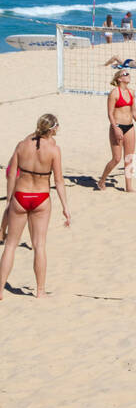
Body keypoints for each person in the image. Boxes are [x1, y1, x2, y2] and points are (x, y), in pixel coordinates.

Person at [0, 114, 70, 300]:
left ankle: (0, 290)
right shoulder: (54, 150)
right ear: (53, 128)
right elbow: (59, 181)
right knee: (39, 245)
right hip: (40, 197)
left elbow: (11, 173)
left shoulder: (22, 145)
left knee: (10, 245)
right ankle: (40, 291)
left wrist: (9, 199)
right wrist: (65, 207)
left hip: (21, 196)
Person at [96, 69, 136, 192]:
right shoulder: (114, 93)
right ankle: (102, 180)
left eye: (128, 73)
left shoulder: (131, 92)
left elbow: (134, 111)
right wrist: (115, 128)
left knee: (129, 158)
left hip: (130, 127)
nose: (128, 75)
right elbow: (110, 113)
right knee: (116, 158)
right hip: (117, 126)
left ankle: (128, 187)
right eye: (125, 74)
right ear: (119, 78)